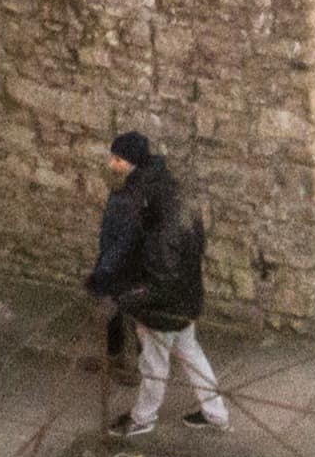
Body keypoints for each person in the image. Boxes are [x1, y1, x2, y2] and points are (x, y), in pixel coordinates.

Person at [91, 131, 230, 436]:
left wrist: (125, 300)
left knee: (154, 365)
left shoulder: (158, 238)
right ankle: (216, 413)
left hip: (162, 310)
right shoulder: (179, 209)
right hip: (186, 300)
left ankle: (142, 418)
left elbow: (158, 284)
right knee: (191, 353)